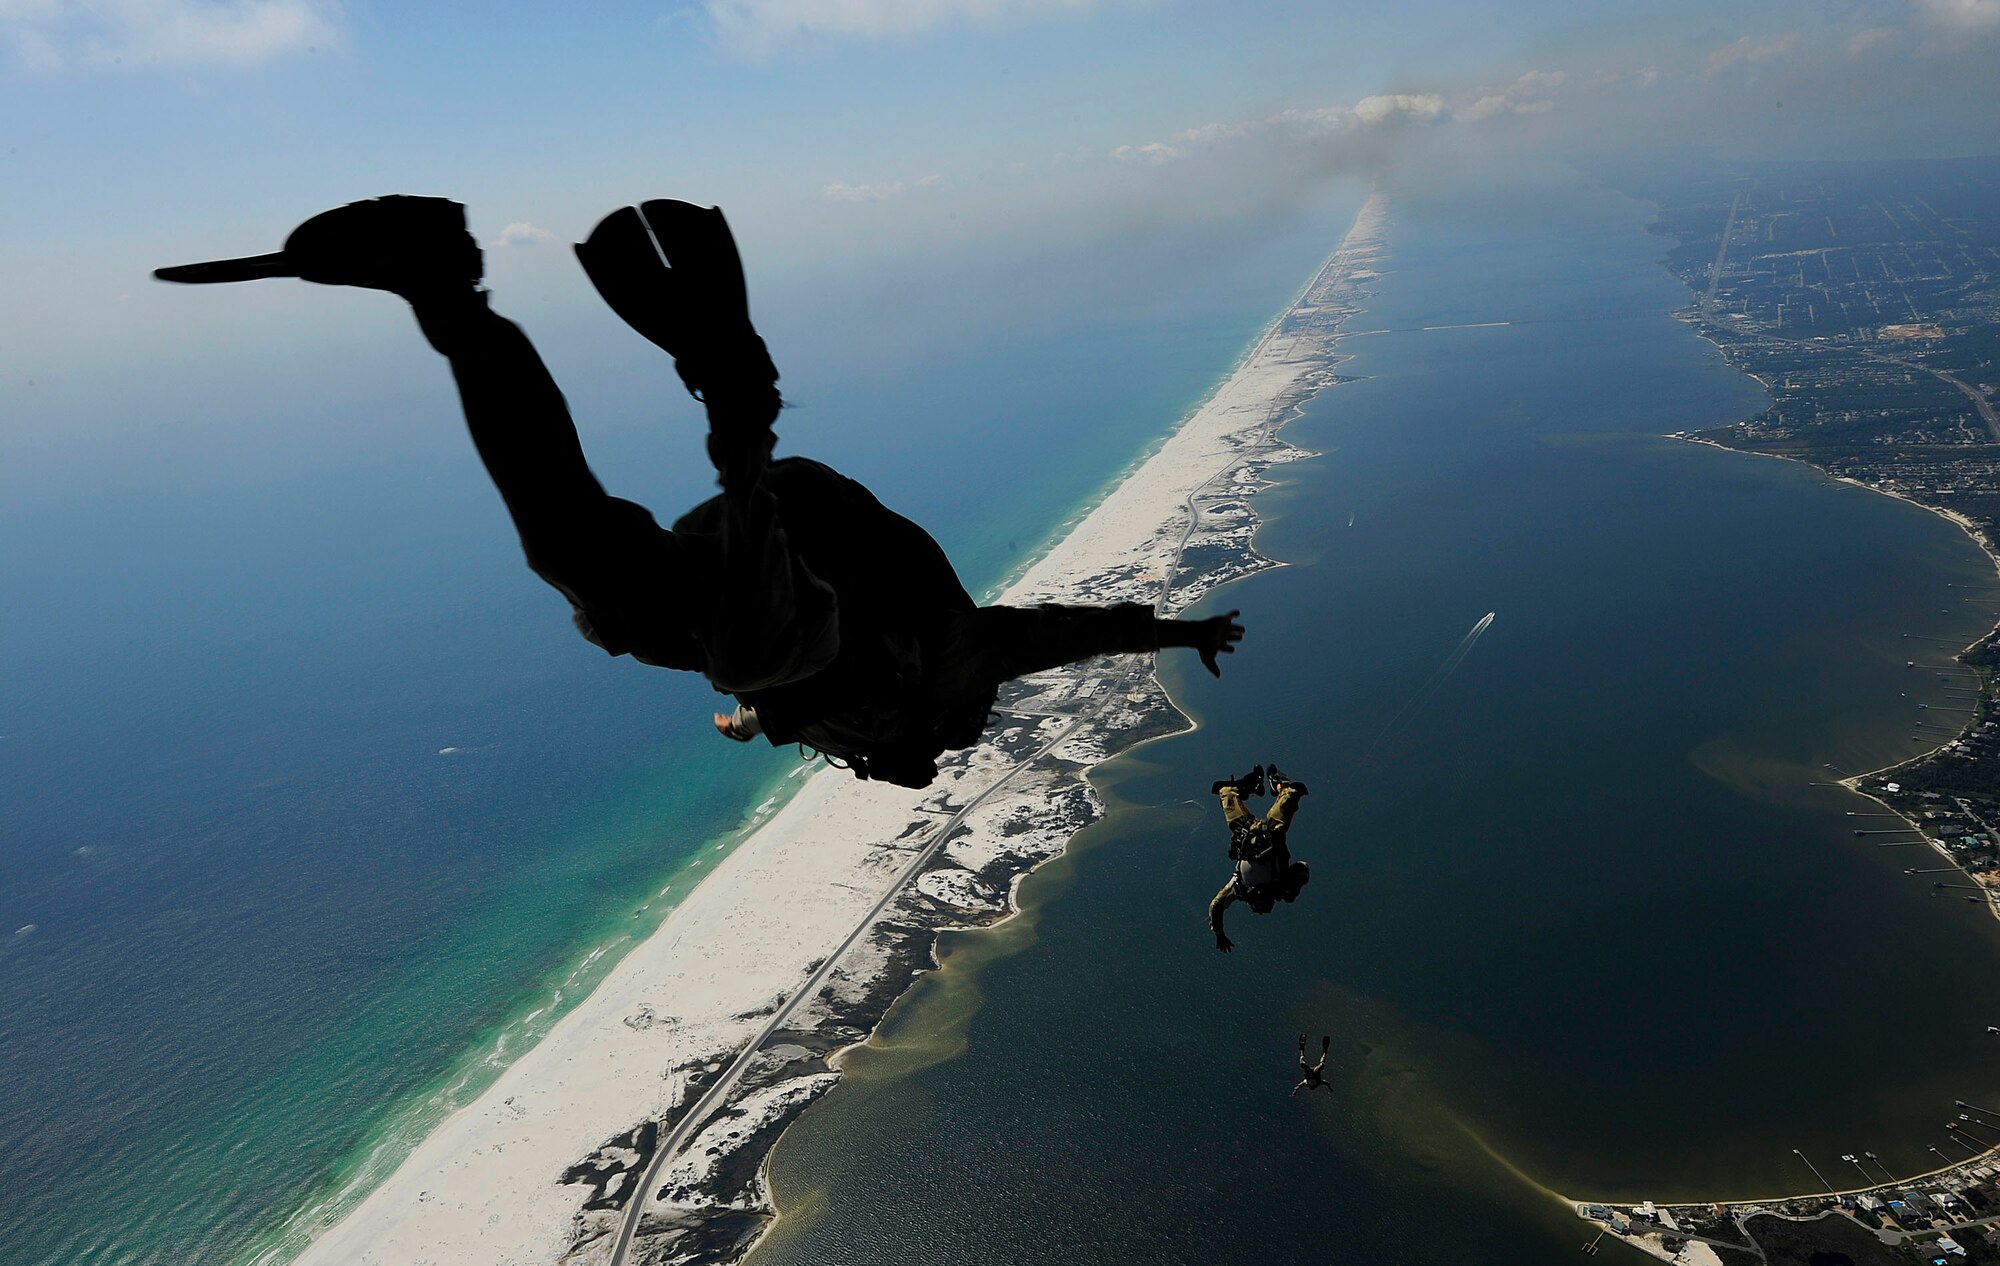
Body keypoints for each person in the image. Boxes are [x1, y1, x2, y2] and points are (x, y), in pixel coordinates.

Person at [154, 195, 1245, 789]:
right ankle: (737, 394)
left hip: (721, 593)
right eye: (906, 755)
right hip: (809, 547)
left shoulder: (827, 719)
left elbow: (765, 714)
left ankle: (444, 295)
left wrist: (739, 719)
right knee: (756, 649)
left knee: (575, 561)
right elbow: (1066, 633)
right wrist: (1175, 627)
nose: (893, 759)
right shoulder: (958, 669)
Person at [1207, 762, 1310, 952]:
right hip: (1271, 831)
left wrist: (1219, 933)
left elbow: (1216, 906)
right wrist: (1293, 888)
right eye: (1264, 899)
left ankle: (1252, 784)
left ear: (1250, 899)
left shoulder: (1239, 887)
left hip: (1245, 831)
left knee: (1225, 790)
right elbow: (1303, 867)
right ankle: (1277, 783)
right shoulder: (1280, 885)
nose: (1259, 895)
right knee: (1292, 792)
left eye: (1256, 900)